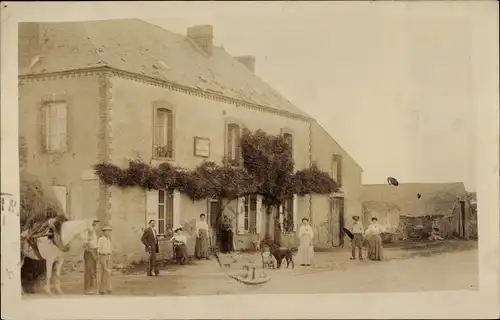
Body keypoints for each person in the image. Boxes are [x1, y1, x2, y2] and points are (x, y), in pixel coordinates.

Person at [84, 218, 100, 294]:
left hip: (93, 251)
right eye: (94, 224)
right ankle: (88, 289)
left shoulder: (94, 233)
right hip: (90, 252)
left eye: (96, 224)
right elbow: (86, 243)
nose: (95, 226)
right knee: (90, 271)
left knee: (93, 270)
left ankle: (92, 288)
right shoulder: (89, 233)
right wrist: (92, 251)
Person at [97, 224, 113, 294]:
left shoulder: (108, 240)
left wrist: (109, 256)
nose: (108, 233)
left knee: (108, 273)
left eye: (109, 231)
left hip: (108, 256)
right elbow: (98, 249)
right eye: (107, 231)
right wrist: (100, 258)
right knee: (105, 272)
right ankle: (102, 289)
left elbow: (109, 249)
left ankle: (108, 288)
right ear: (104, 232)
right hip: (102, 256)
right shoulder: (101, 239)